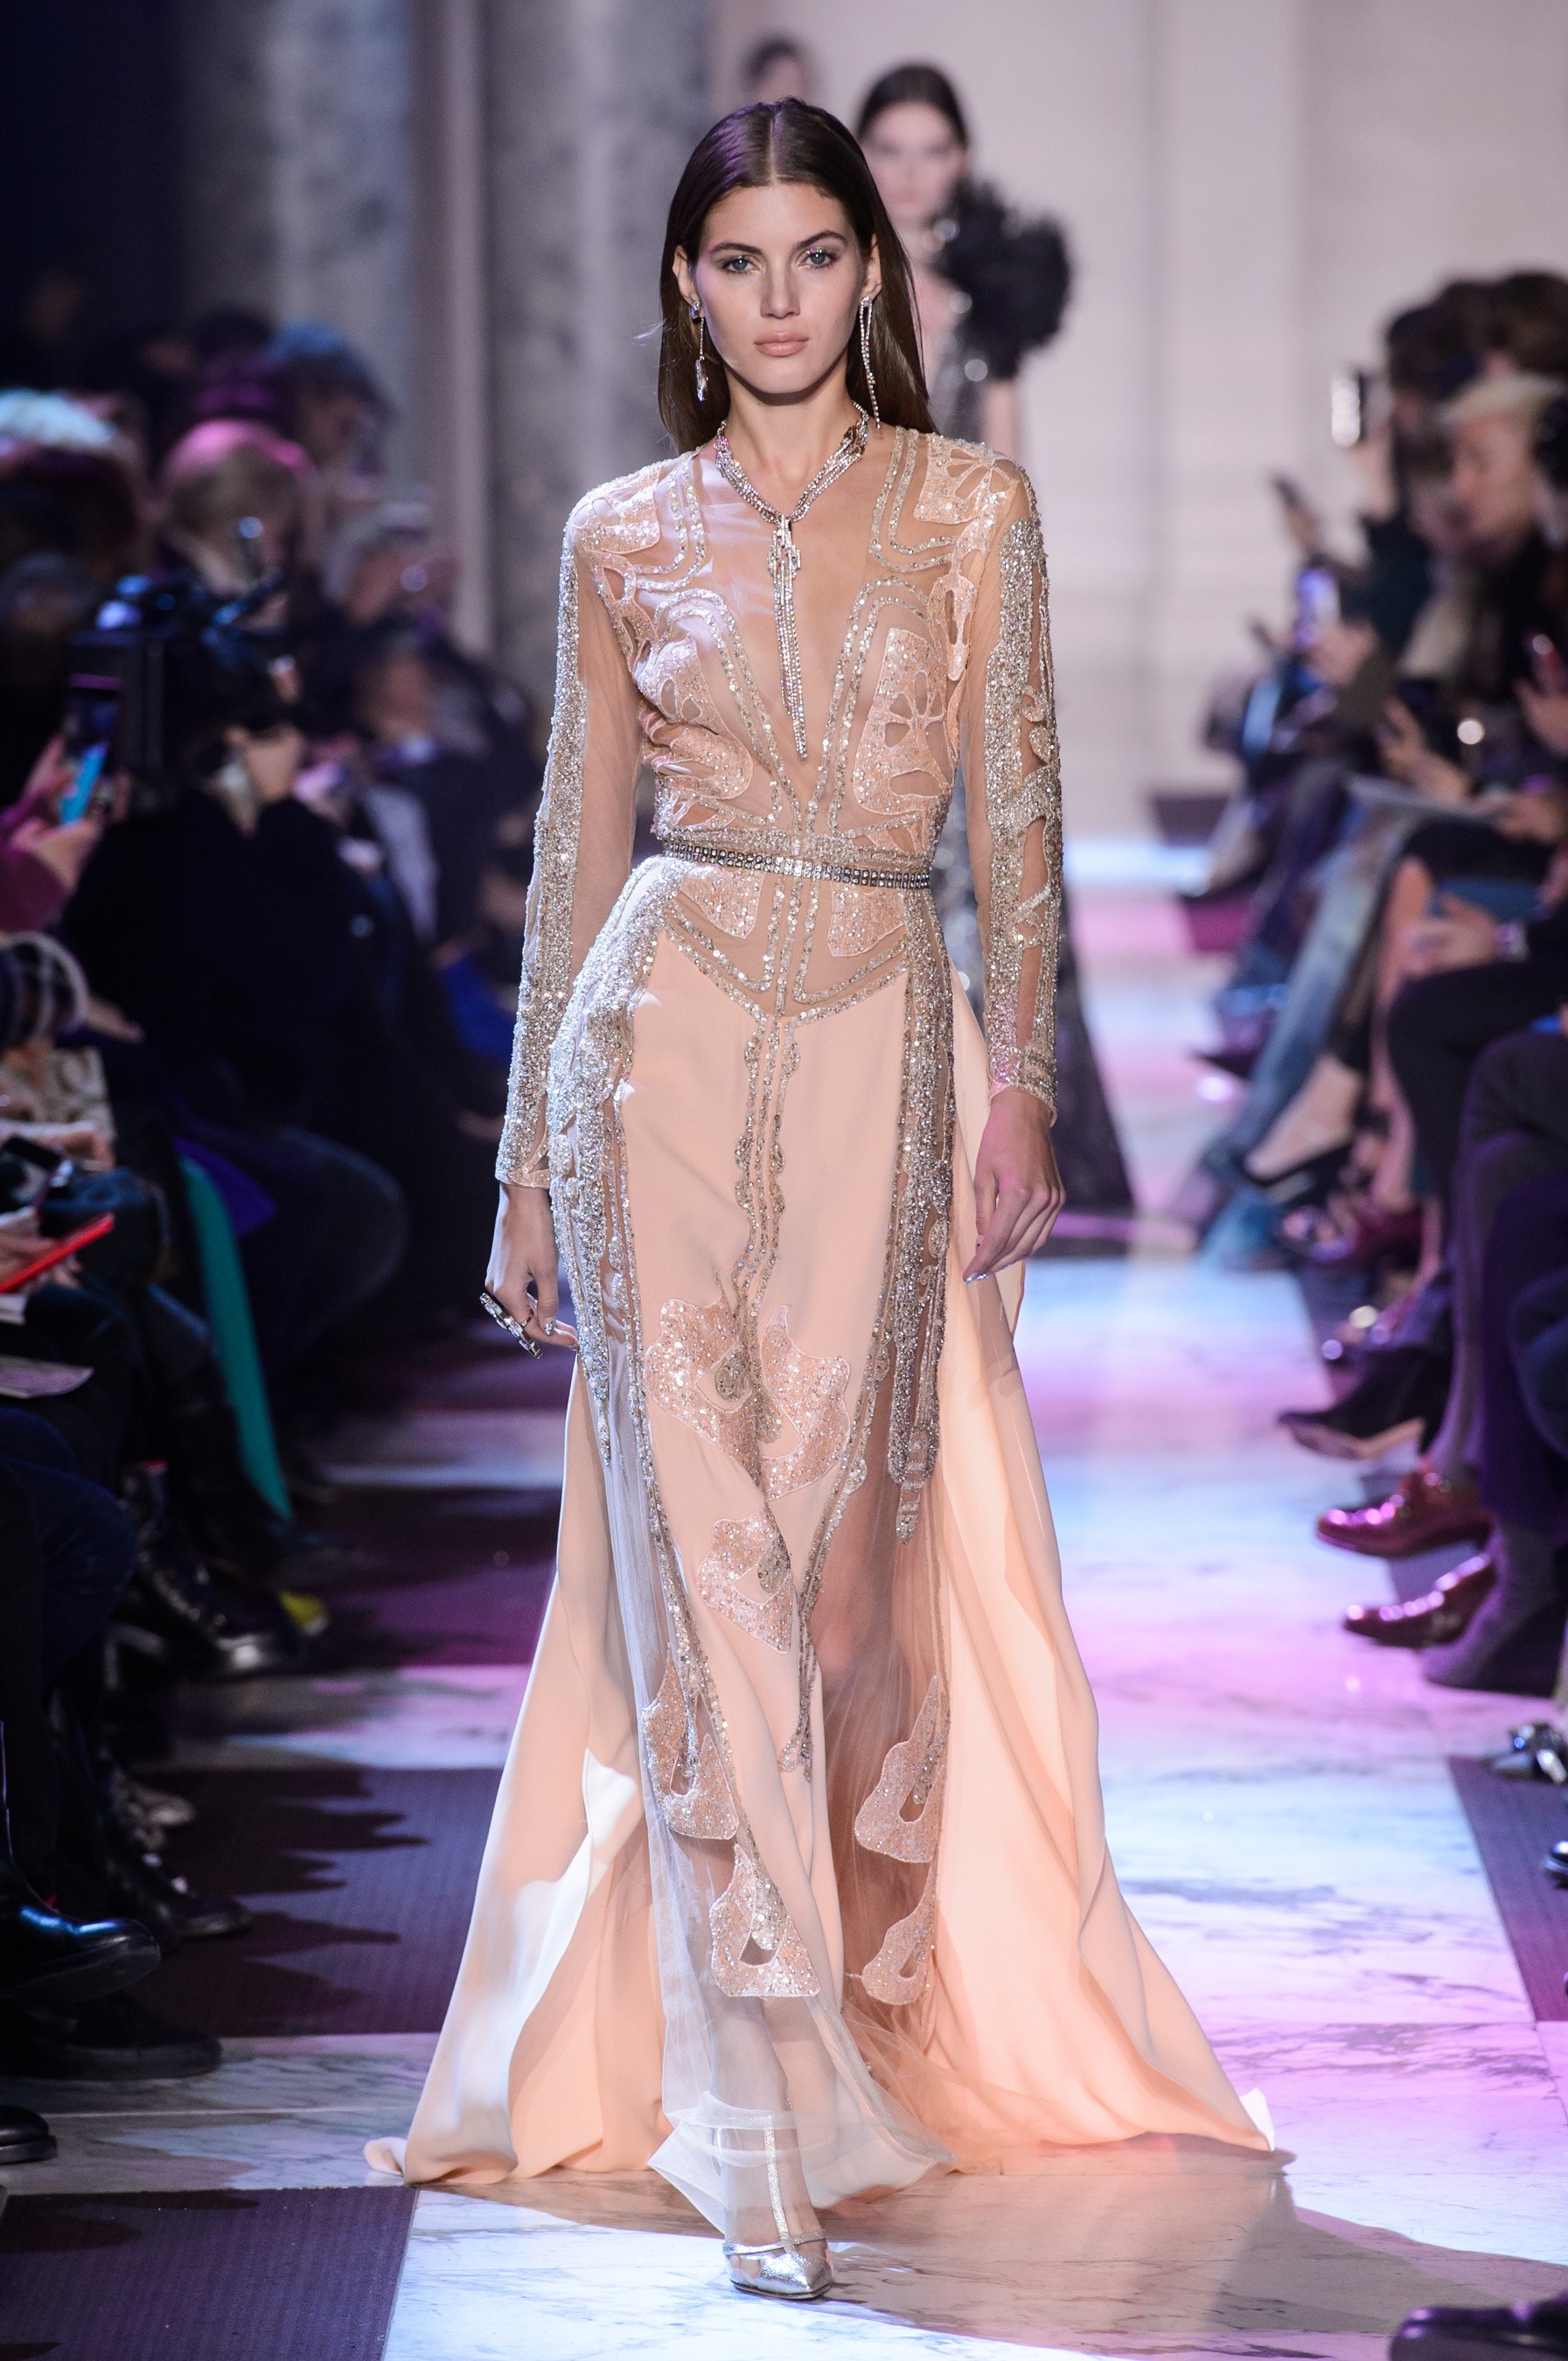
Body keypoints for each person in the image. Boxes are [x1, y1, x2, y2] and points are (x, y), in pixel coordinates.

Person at [370, 98, 1270, 2299]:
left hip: (885, 1033)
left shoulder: (973, 512)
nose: (779, 299)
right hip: (655, 1042)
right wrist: (521, 1160)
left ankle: (857, 2030)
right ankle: (759, 2107)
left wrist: (1026, 1087)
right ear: (688, 289)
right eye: (739, 261)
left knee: (855, 1597)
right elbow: (576, 853)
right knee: (707, 1577)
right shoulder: (617, 533)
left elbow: (1019, 820)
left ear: (871, 272)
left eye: (815, 256)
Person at [856, 63, 1130, 1216]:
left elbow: (1007, 471)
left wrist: (1007, 620)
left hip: (959, 612)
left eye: (932, 151)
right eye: (891, 150)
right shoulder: (826, 289)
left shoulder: (990, 299)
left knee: (984, 859)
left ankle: (983, 1127)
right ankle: (878, 1120)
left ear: (961, 161)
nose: (913, 174)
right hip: (851, 616)